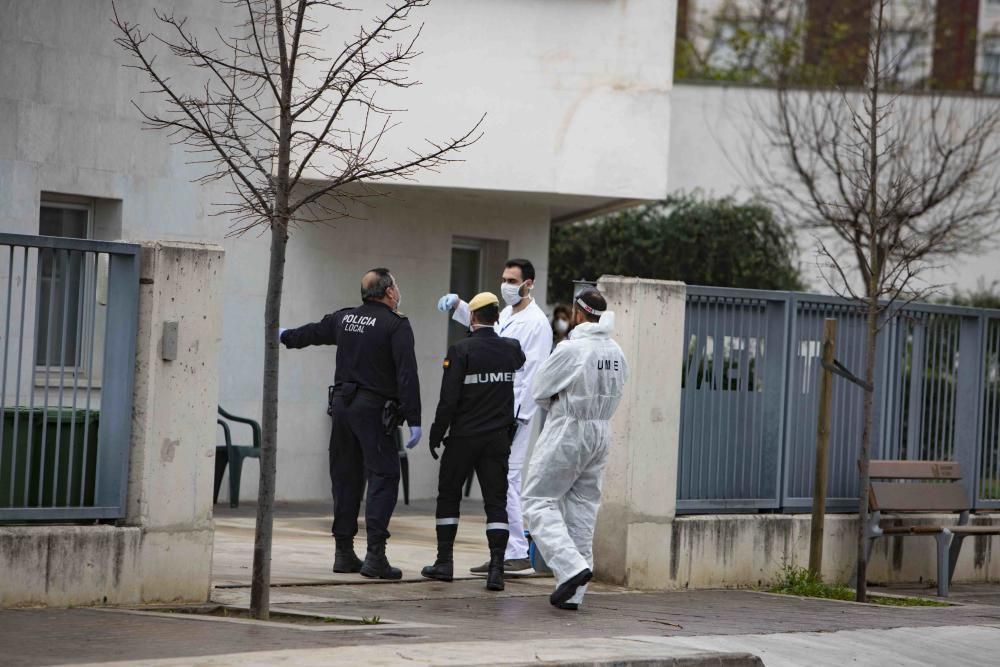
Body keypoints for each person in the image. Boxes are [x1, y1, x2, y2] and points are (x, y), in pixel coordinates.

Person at [280, 268, 421, 580]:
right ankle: (375, 557)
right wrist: (414, 419)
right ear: (389, 292)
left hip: (342, 407)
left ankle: (343, 552)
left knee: (345, 478)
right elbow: (406, 374)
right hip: (373, 411)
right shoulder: (395, 325)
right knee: (383, 476)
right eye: (395, 285)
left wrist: (284, 335)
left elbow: (314, 332)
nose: (398, 290)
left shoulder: (345, 319)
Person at [436, 258, 551, 576]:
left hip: (514, 415)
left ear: (529, 284)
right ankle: (508, 552)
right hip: (500, 414)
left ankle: (515, 553)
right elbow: (489, 333)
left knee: (507, 482)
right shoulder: (506, 314)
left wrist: (519, 418)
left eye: (513, 281)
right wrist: (460, 306)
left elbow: (534, 376)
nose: (507, 285)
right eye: (504, 279)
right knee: (502, 482)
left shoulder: (537, 323)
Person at [521, 287, 629, 611]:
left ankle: (570, 568)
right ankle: (573, 593)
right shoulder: (616, 351)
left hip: (569, 428)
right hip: (601, 432)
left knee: (538, 501)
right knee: (582, 510)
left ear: (577, 313)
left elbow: (540, 390)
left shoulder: (572, 349)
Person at [421, 292, 526, 592]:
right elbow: (518, 360)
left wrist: (436, 432)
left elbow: (448, 400)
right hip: (497, 440)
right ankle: (496, 569)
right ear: (496, 317)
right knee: (496, 502)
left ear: (472, 317)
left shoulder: (460, 350)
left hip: (464, 438)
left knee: (449, 495)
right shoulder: (511, 349)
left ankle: (444, 562)